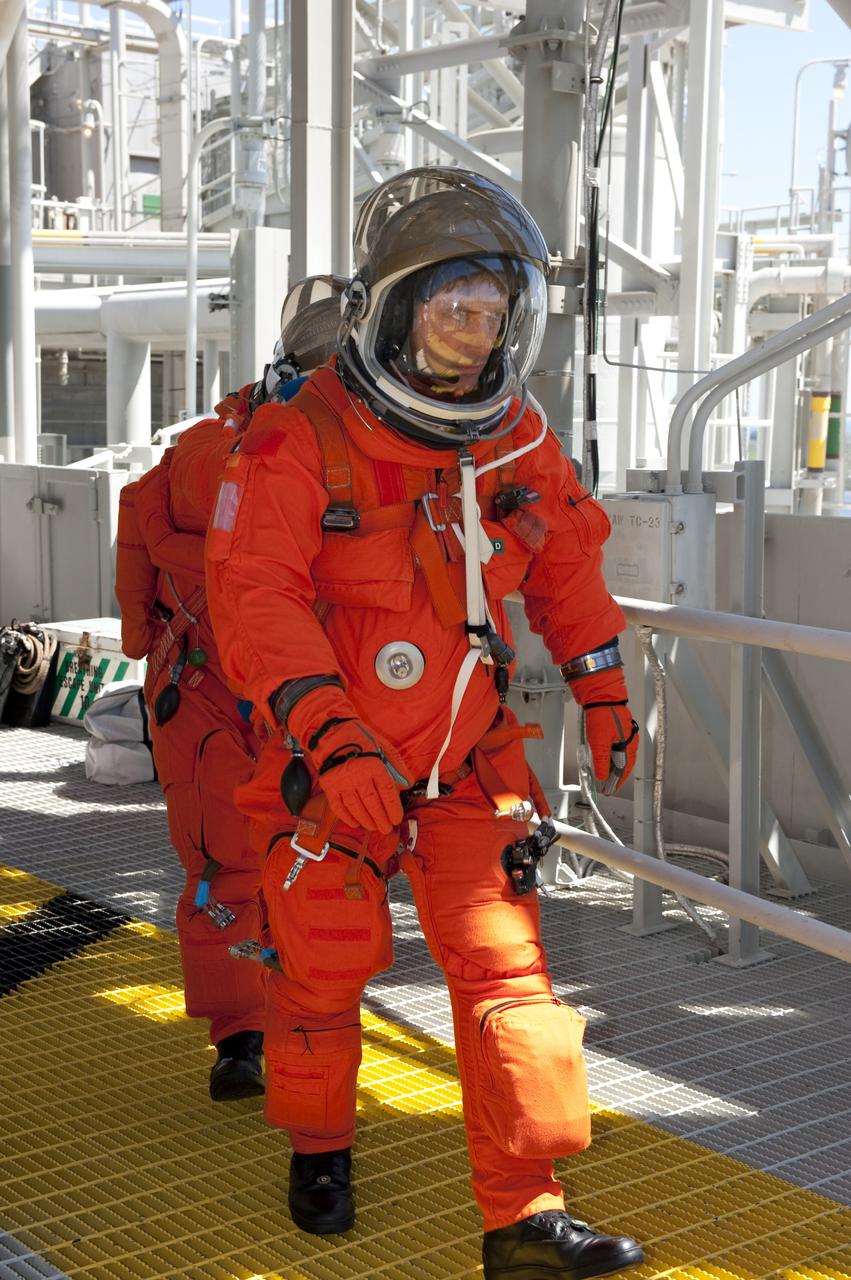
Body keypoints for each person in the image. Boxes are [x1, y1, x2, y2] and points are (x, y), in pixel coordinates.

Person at [205, 168, 643, 1278]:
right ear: (396, 310)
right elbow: (252, 593)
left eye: (492, 315)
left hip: (463, 762)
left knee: (509, 979)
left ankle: (524, 1214)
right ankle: (319, 1146)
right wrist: (331, 737)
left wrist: (602, 690)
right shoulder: (298, 438)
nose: (471, 338)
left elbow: (568, 561)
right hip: (332, 766)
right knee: (322, 969)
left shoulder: (510, 439)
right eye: (453, 311)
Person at [115, 275, 346, 1101]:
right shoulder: (249, 455)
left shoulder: (203, 450)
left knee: (234, 868)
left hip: (227, 693)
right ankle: (262, 1035)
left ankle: (246, 1038)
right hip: (258, 693)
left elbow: (141, 528)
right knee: (282, 868)